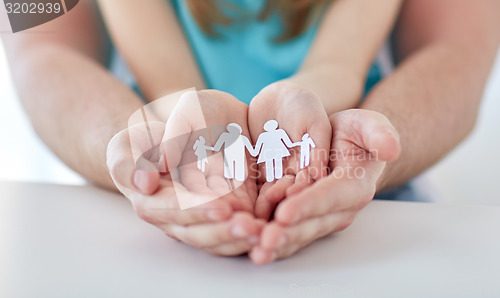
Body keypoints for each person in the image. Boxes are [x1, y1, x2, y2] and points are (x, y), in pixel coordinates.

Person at [2, 0, 499, 265]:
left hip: (368, 203)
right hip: (148, 204)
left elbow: (460, 51)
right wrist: (145, 137)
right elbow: (35, 43)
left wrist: (329, 111)